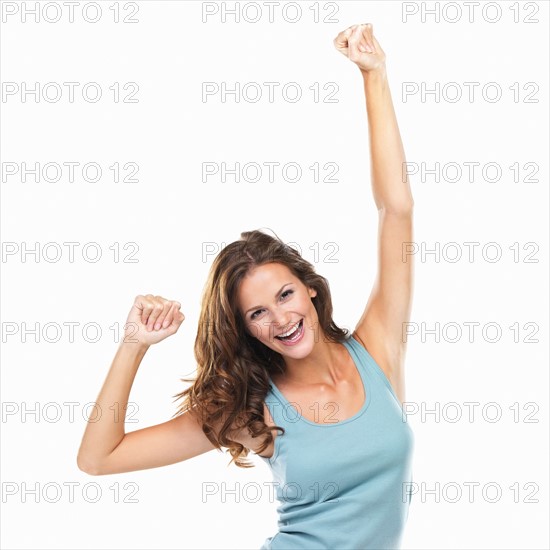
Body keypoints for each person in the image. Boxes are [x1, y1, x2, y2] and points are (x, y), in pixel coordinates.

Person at [77, 22, 415, 550]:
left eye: (284, 295)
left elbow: (396, 208)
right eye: (256, 313)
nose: (279, 319)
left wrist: (374, 75)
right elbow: (99, 459)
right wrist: (133, 346)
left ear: (310, 290)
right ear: (245, 329)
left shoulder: (377, 349)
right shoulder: (253, 409)